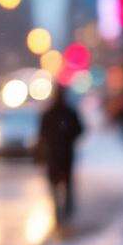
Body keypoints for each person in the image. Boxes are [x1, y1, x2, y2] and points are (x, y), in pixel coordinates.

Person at [37, 84, 84, 223]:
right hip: (64, 154)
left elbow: (42, 134)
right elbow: (79, 130)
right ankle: (65, 210)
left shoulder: (50, 114)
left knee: (56, 185)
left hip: (55, 155)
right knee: (66, 184)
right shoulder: (68, 113)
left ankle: (60, 211)